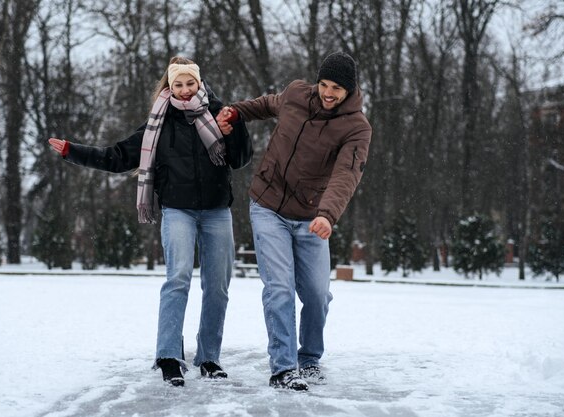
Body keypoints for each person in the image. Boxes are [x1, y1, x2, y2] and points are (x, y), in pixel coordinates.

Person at [48, 56, 252, 387]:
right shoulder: (158, 125)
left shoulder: (220, 115)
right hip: (178, 211)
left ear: (199, 83)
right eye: (178, 84)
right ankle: (169, 356)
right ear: (168, 87)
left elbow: (241, 159)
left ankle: (209, 357)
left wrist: (235, 128)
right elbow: (116, 156)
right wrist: (73, 151)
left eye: (190, 83)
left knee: (217, 286)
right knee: (178, 278)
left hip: (217, 211)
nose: (185, 90)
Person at [217, 52, 372, 391]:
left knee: (317, 294)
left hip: (312, 217)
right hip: (267, 205)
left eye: (337, 89)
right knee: (280, 289)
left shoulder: (357, 128)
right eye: (325, 85)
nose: (328, 93)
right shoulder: (296, 95)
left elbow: (346, 174)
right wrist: (235, 111)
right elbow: (264, 104)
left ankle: (309, 358)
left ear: (350, 90)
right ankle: (283, 368)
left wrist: (327, 215)